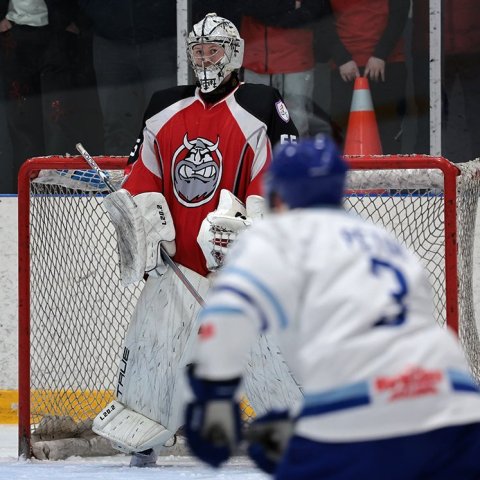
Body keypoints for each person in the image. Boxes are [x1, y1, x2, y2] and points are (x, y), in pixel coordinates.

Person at [184, 135, 480, 479]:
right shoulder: (385, 243)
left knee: (276, 452)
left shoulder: (277, 235)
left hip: (361, 419)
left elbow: (226, 316)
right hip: (456, 406)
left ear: (278, 195)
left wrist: (215, 398)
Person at [93, 13, 300, 467]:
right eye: (198, 51)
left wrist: (251, 227)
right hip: (178, 265)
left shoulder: (262, 104)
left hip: (240, 270)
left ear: (235, 53)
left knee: (271, 365)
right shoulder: (164, 107)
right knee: (151, 356)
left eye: (215, 50)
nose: (205, 59)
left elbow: (278, 178)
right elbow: (142, 176)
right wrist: (140, 216)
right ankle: (143, 442)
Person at [0, 0, 81, 193]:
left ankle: (60, 193)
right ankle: (23, 194)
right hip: (14, 35)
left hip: (54, 32)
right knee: (22, 124)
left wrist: (71, 18)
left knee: (58, 121)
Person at [78, 0, 177, 155]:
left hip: (162, 38)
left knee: (166, 122)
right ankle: (121, 177)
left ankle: (166, 177)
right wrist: (95, 14)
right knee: (117, 127)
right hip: (110, 40)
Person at [323, 0, 409, 154]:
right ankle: (348, 178)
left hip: (389, 64)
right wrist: (341, 58)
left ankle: (389, 178)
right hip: (345, 68)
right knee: (343, 132)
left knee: (389, 132)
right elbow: (320, 17)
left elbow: (399, 14)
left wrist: (380, 55)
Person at [412, 0, 480, 163]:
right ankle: (425, 179)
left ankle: (476, 178)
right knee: (429, 121)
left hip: (472, 53)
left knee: (476, 118)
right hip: (430, 51)